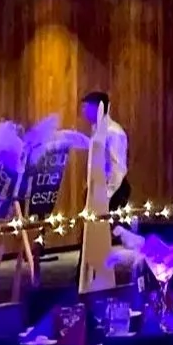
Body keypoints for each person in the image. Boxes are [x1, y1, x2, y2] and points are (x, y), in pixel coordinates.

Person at [75, 90, 130, 292]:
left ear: (98, 107)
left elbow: (118, 167)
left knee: (102, 235)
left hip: (112, 191)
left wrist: (104, 196)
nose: (82, 110)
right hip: (98, 192)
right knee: (90, 234)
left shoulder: (113, 132)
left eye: (86, 106)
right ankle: (86, 277)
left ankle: (102, 279)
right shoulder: (96, 130)